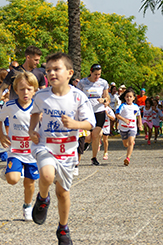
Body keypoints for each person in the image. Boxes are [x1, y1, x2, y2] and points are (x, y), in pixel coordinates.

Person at [28, 52, 95, 244]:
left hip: (67, 151)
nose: (51, 73)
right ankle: (42, 199)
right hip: (45, 146)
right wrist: (33, 130)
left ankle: (63, 228)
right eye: (48, 70)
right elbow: (35, 113)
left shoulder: (78, 97)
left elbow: (90, 123)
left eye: (57, 69)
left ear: (69, 73)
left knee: (62, 192)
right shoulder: (41, 95)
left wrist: (75, 124)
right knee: (47, 176)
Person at [0, 71, 39, 221]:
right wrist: (1, 135)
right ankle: (8, 170)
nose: (25, 92)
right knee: (13, 179)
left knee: (29, 182)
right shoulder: (10, 106)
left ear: (34, 90)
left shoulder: (39, 107)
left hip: (32, 152)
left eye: (29, 89)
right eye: (21, 89)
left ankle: (28, 206)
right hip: (15, 151)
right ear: (15, 90)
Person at [0, 46, 46, 122]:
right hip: (15, 113)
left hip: (32, 113)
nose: (38, 62)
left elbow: (44, 94)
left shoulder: (39, 73)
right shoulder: (14, 72)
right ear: (28, 58)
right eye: (36, 60)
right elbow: (1, 89)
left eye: (38, 60)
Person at [76, 64, 109, 166]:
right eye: (95, 74)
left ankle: (94, 157)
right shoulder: (82, 83)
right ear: (91, 72)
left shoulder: (103, 83)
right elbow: (76, 96)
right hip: (86, 112)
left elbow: (107, 99)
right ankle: (85, 145)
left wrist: (103, 100)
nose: (97, 77)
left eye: (99, 74)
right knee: (88, 137)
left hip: (99, 111)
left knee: (96, 136)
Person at [115, 87, 143, 166]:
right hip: (123, 127)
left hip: (132, 127)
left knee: (130, 142)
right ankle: (130, 143)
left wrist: (140, 125)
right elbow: (117, 115)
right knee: (125, 144)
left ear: (134, 98)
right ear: (124, 97)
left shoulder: (136, 107)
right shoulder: (122, 106)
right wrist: (124, 119)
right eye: (127, 96)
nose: (129, 98)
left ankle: (127, 158)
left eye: (130, 97)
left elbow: (139, 116)